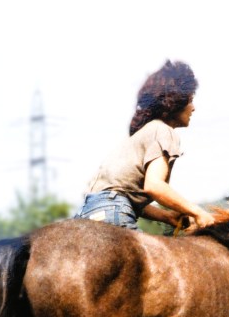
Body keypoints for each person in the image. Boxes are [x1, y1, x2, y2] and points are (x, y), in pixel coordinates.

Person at [75, 60, 216, 231]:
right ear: (177, 100)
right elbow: (154, 186)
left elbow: (123, 196)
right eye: (190, 100)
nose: (193, 108)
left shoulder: (140, 135)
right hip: (113, 211)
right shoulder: (164, 131)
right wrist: (198, 212)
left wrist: (167, 216)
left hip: (87, 213)